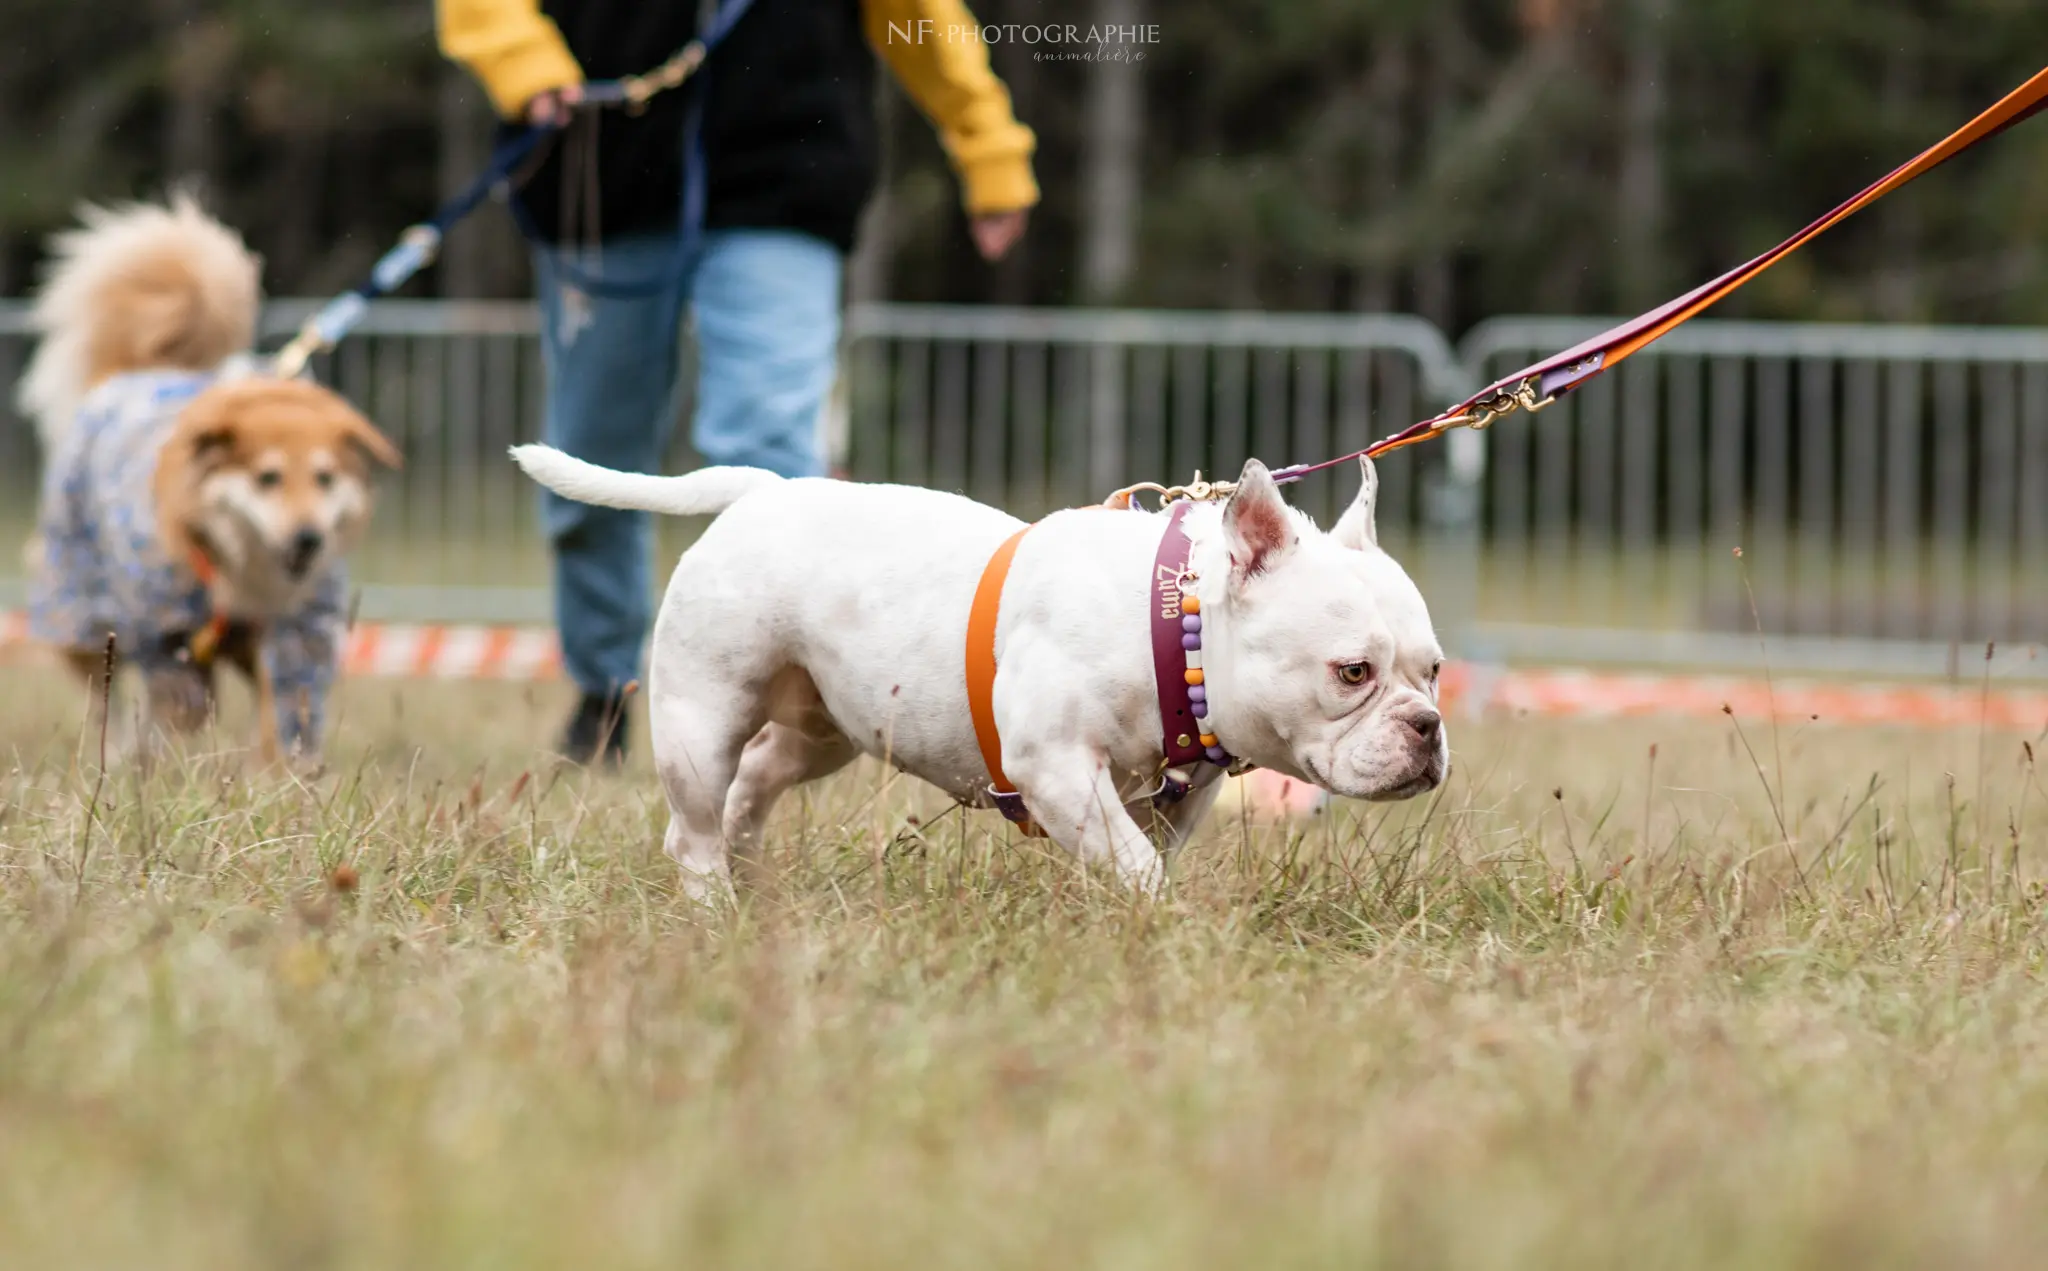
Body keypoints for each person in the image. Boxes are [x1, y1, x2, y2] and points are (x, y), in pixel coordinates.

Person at [437, 0, 1037, 763]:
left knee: (776, 462)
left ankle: (786, 713)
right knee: (590, 458)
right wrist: (520, 59)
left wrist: (989, 148)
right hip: (599, 168)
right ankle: (604, 691)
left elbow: (922, 16)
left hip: (789, 170)